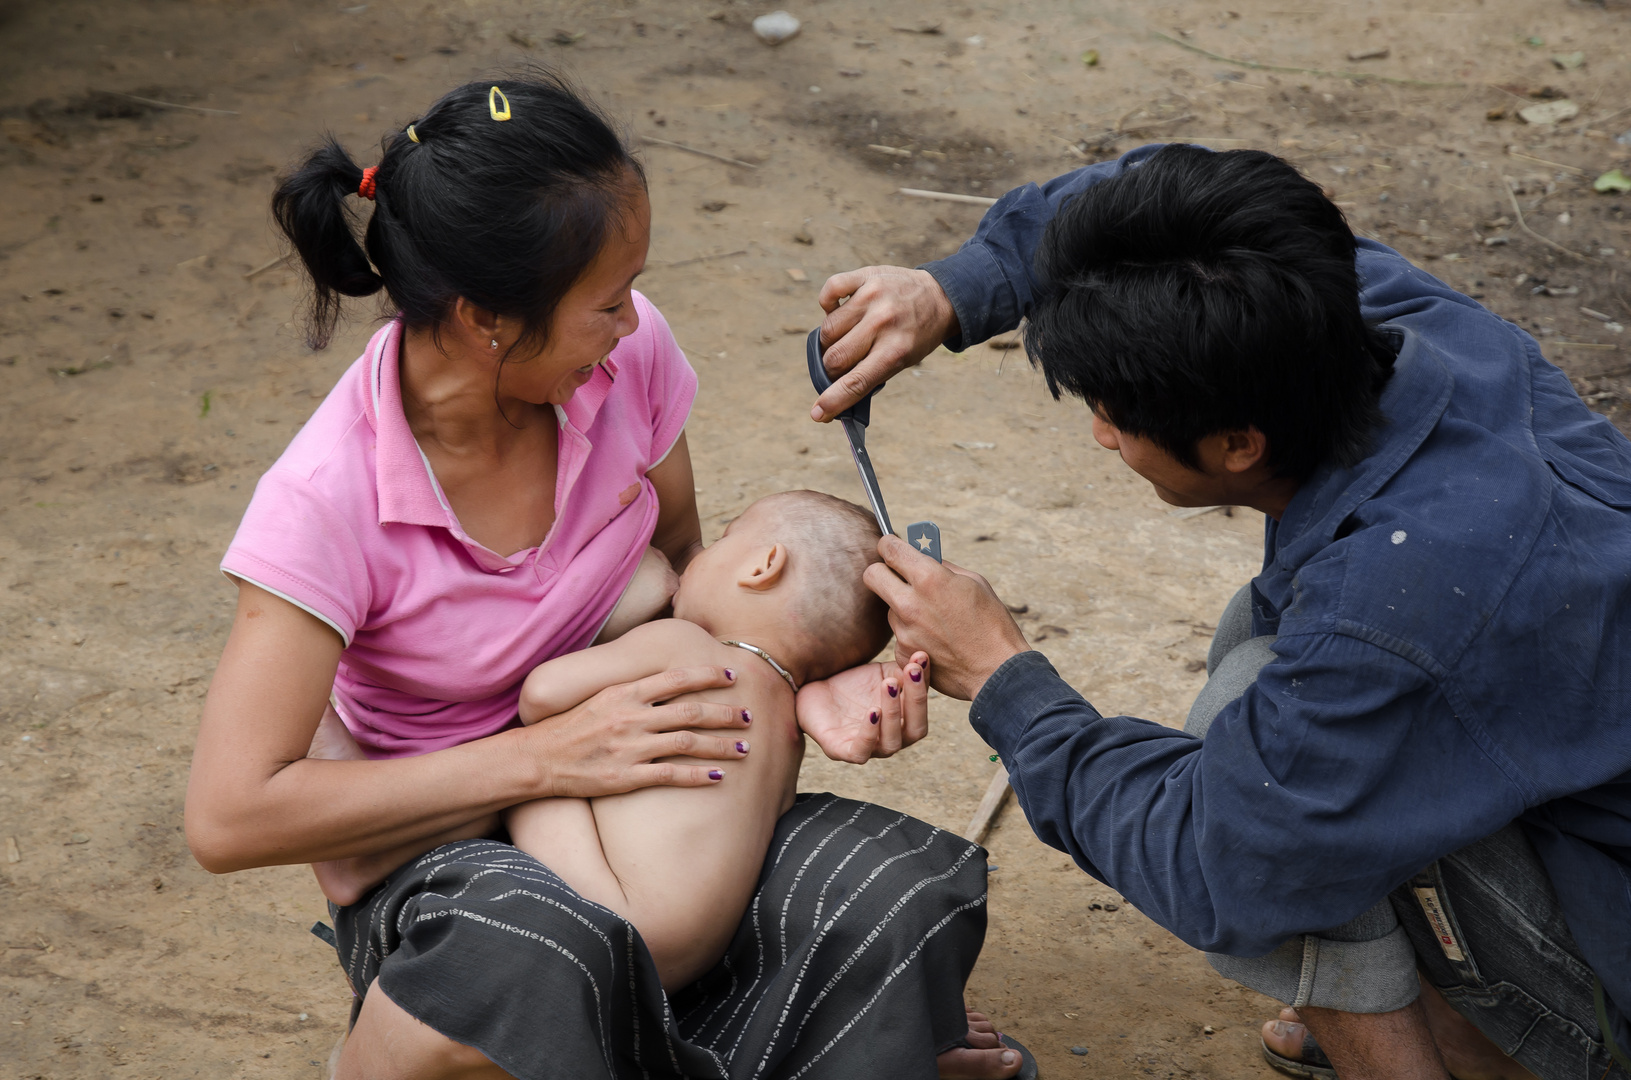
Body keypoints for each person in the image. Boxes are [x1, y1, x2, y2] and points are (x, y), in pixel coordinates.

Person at [184, 73, 1025, 1080]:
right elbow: (230, 817)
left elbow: (688, 578)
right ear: (486, 317)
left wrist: (796, 679)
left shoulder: (623, 365)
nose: (633, 323)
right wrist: (547, 760)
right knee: (543, 948)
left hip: (632, 793)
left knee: (891, 891)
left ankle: (645, 1045)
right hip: (450, 851)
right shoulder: (326, 501)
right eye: (605, 302)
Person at [814, 143, 1631, 1080]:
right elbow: (1157, 197)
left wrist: (1008, 684)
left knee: (1249, 717)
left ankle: (1462, 1054)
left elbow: (1223, 862)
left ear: (1238, 443)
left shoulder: (1396, 607)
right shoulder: (1381, 322)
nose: (1099, 432)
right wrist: (956, 287)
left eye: (1115, 415)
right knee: (1269, 654)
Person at [307, 489, 892, 993]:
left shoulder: (687, 646)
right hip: (684, 961)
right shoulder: (787, 729)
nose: (700, 554)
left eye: (723, 538)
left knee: (540, 756)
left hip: (608, 914)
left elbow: (542, 694)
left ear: (762, 566)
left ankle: (363, 830)